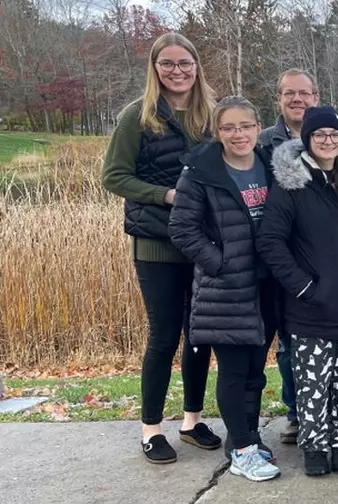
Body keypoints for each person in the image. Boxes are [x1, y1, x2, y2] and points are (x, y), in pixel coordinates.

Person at [100, 31, 220, 464]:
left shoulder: (211, 114)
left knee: (199, 337)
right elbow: (114, 176)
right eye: (167, 63)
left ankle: (191, 421)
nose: (177, 70)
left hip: (203, 243)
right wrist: (166, 195)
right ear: (155, 68)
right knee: (164, 337)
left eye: (184, 63)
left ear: (196, 67)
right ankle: (151, 429)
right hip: (156, 243)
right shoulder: (139, 116)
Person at [257, 106, 338, 477]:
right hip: (310, 305)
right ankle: (315, 447)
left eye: (334, 135)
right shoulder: (291, 185)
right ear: (307, 141)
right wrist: (304, 286)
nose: (328, 141)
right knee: (312, 383)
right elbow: (270, 242)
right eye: (319, 135)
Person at [168, 96, 280, 481]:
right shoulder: (200, 171)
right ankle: (245, 451)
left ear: (256, 127)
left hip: (267, 283)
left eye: (245, 126)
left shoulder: (271, 165)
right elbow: (182, 229)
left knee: (255, 371)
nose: (238, 134)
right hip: (226, 288)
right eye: (229, 127)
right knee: (233, 371)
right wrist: (220, 264)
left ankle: (244, 439)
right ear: (217, 132)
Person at [256, 68, 319, 445]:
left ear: (315, 97)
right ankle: (297, 413)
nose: (297, 99)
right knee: (288, 343)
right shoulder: (263, 142)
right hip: (280, 257)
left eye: (304, 93)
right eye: (289, 93)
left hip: (322, 257)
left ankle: (331, 411)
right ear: (278, 98)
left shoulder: (331, 138)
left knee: (327, 340)